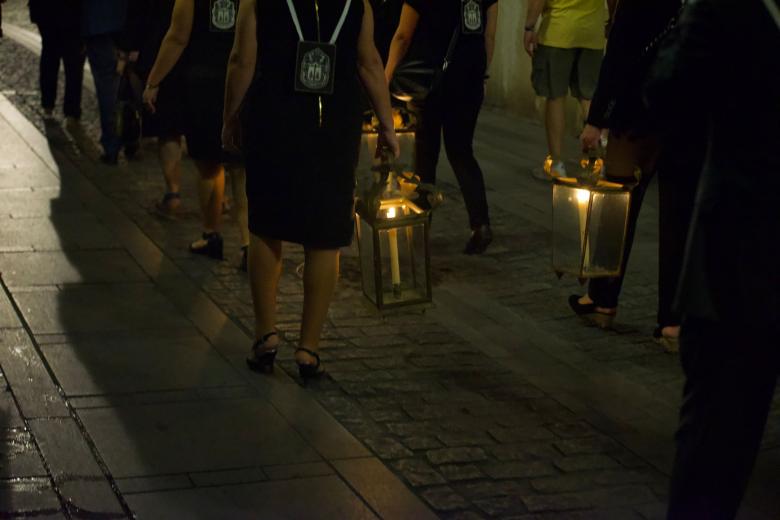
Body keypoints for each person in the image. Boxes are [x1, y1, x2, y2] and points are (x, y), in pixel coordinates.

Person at [644, 0, 780, 517]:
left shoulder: (725, 9)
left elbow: (666, 90)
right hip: (745, 266)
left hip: (737, 271)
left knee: (712, 460)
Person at [222, 0, 399, 378]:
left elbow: (241, 61)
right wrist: (386, 124)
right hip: (334, 126)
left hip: (275, 121)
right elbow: (369, 64)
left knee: (266, 228)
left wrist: (231, 117)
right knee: (325, 238)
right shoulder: (357, 5)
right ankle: (309, 349)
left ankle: (265, 335)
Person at [567, 0, 688, 340]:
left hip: (637, 114)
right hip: (683, 118)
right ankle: (672, 321)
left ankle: (602, 300)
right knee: (677, 219)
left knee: (615, 210)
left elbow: (618, 57)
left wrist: (595, 121)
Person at [385, 0, 499, 255]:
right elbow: (488, 37)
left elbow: (403, 36)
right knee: (461, 150)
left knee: (426, 155)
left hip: (431, 80)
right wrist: (482, 74)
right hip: (469, 78)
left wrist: (386, 76)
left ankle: (420, 229)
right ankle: (480, 224)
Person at [144, 0, 249, 264]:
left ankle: (211, 234)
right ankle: (249, 245)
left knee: (209, 166)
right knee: (241, 169)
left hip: (205, 81)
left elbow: (178, 36)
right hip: (244, 80)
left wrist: (154, 80)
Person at [523, 0, 607, 179]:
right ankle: (596, 163)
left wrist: (529, 27)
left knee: (555, 96)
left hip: (558, 31)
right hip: (593, 32)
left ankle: (557, 164)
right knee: (589, 97)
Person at [82, 0, 127, 164]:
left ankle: (112, 143)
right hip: (120, 24)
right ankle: (128, 135)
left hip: (98, 27)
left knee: (107, 91)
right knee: (124, 85)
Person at [28, 1, 85, 121]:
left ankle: (48, 104)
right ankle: (71, 109)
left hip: (46, 12)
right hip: (71, 14)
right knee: (73, 63)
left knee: (50, 58)